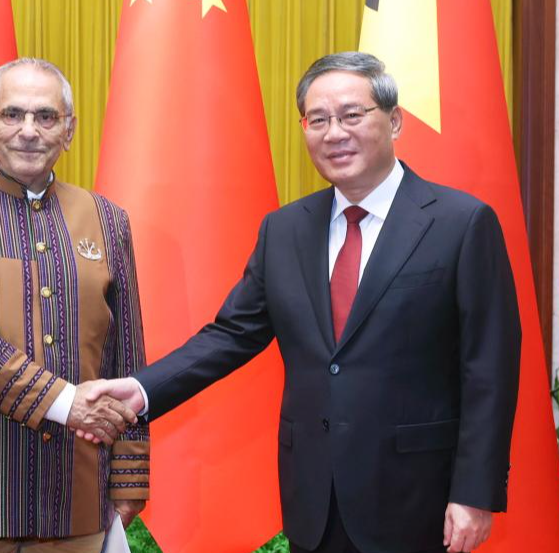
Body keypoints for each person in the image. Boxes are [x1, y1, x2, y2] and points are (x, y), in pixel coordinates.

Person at [83, 52, 521, 553]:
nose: (334, 132)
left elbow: (489, 368)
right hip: (315, 498)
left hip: (418, 498)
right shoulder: (285, 229)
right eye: (318, 120)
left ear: (394, 119)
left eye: (352, 115)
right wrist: (141, 390)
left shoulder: (461, 223)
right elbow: (230, 335)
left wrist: (474, 494)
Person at [0, 57, 147, 553]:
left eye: (46, 116)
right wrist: (66, 404)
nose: (28, 130)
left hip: (78, 501)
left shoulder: (108, 221)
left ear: (69, 130)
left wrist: (128, 476)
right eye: (12, 114)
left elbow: (126, 356)